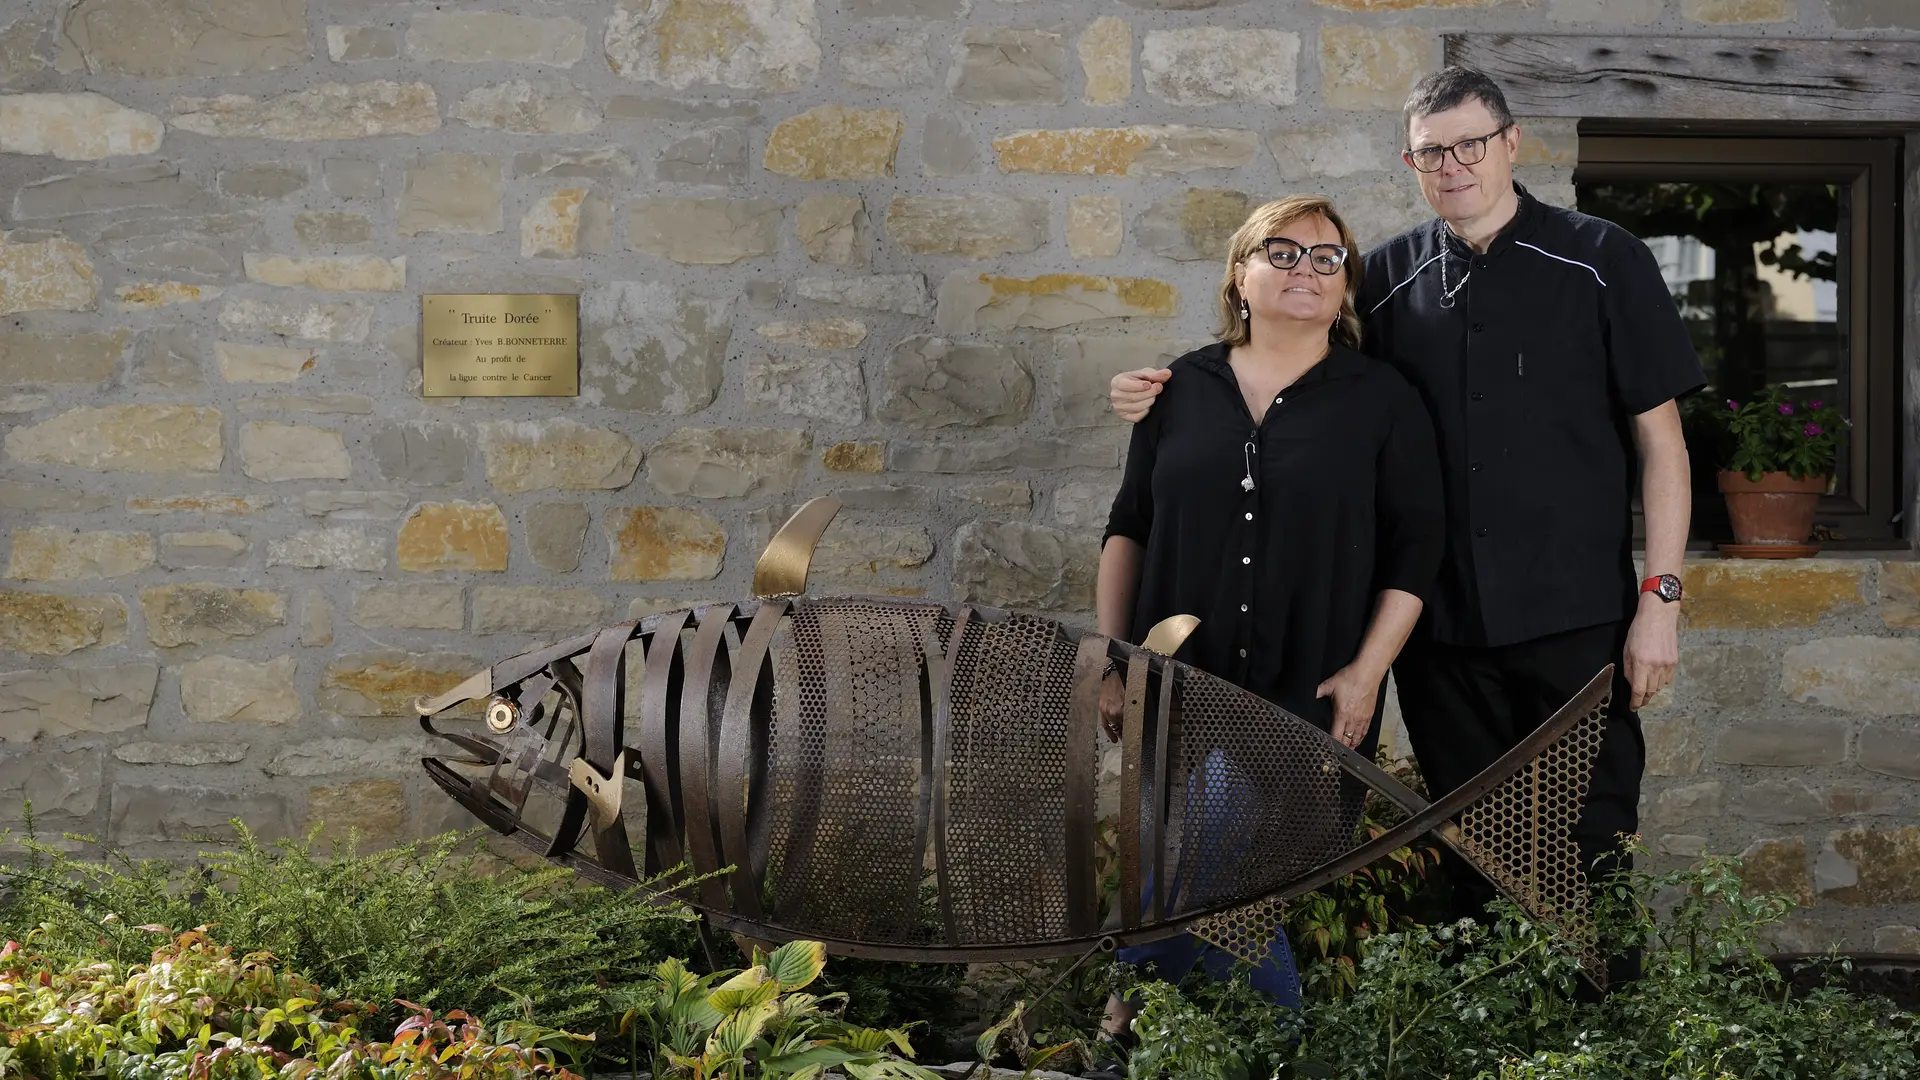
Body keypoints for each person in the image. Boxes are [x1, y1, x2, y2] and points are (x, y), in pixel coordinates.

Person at [1107, 67, 1704, 970]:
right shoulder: (1380, 278)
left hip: (1575, 615)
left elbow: (1664, 446)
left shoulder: (1601, 257)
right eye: (1432, 151)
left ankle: (1603, 1048)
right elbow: (1294, 382)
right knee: (1471, 856)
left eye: (1471, 143)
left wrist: (1660, 599)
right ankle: (1489, 1053)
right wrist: (1160, 390)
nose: (1453, 164)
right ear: (1411, 163)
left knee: (1591, 847)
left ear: (1511, 144)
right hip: (1440, 632)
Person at [1095, 194, 1444, 1038]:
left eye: (1329, 259)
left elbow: (1415, 556)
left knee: (1212, 871)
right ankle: (1210, 1045)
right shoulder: (1177, 390)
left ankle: (1118, 1027)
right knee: (1222, 890)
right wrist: (1112, 660)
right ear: (1239, 276)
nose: (1308, 271)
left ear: (1346, 286)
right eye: (1284, 253)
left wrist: (1367, 674)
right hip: (1175, 685)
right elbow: (1128, 527)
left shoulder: (1382, 400)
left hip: (1308, 690)